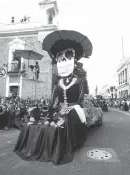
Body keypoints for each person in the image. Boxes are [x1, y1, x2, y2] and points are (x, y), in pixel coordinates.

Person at [14, 30, 92, 165]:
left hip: (75, 108)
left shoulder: (79, 81)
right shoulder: (58, 83)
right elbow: (54, 100)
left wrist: (69, 109)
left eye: (67, 58)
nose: (63, 61)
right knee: (49, 120)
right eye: (60, 59)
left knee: (68, 119)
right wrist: (51, 111)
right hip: (60, 109)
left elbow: (80, 98)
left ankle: (72, 142)